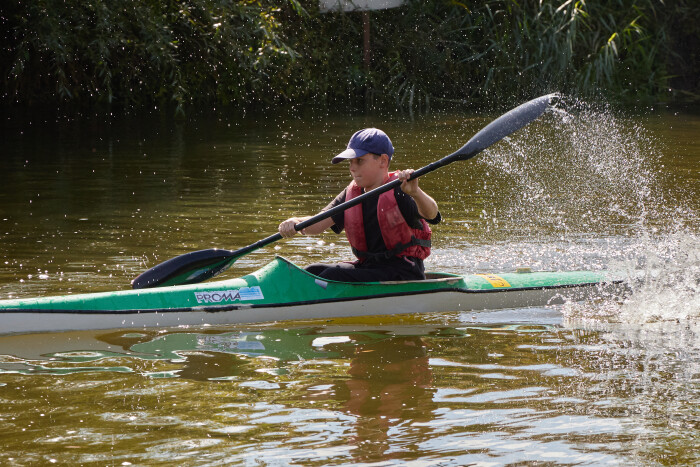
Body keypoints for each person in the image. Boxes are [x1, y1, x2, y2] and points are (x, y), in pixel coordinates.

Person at [278, 128, 441, 282]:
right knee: (311, 270)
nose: (352, 168)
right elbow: (318, 224)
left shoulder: (400, 189)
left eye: (359, 161)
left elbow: (432, 215)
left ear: (383, 161)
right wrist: (296, 222)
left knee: (331, 275)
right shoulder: (351, 194)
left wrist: (416, 192)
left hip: (404, 270)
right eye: (350, 162)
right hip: (369, 267)